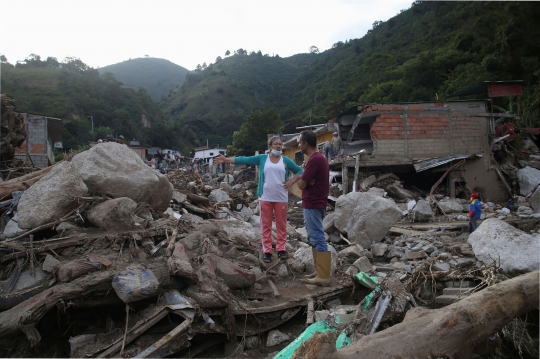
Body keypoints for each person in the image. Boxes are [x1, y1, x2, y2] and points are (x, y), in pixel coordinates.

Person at [214, 136, 303, 263]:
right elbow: (245, 159)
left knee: (281, 225)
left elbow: (299, 171)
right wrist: (226, 159)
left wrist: (290, 182)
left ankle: (281, 249)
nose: (279, 146)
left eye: (280, 144)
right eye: (276, 144)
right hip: (265, 197)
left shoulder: (285, 160)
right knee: (265, 225)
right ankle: (267, 251)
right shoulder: (263, 158)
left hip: (281, 198)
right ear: (270, 146)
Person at [297, 130, 331, 286]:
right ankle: (319, 271)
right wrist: (305, 178)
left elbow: (301, 184)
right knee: (314, 236)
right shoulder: (319, 158)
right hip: (316, 203)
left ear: (305, 144)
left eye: (299, 142)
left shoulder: (315, 159)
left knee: (317, 237)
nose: (298, 145)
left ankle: (323, 276)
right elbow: (305, 181)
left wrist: (304, 179)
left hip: (313, 203)